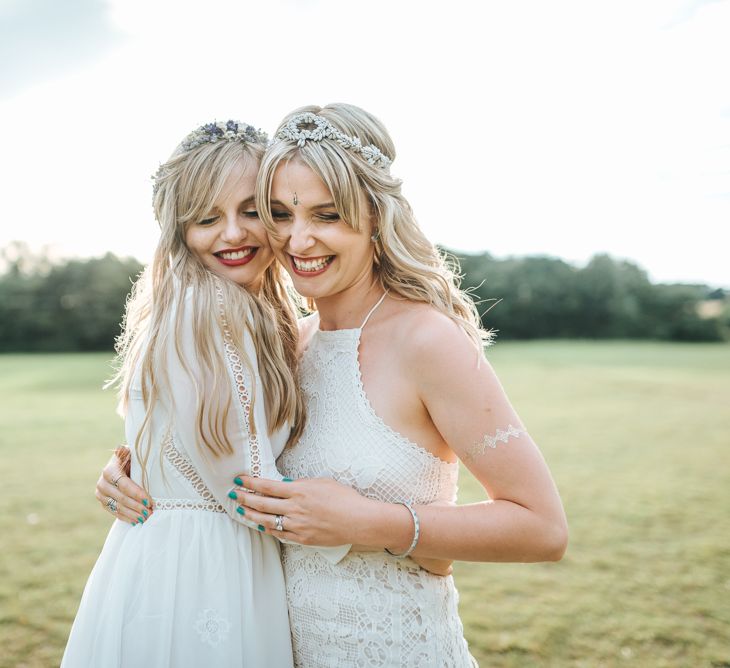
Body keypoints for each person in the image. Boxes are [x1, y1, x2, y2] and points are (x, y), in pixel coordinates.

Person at [100, 104, 568, 667]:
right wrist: (141, 473)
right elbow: (228, 470)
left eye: (327, 215)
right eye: (279, 213)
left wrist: (375, 523)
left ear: (376, 216)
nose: (299, 240)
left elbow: (542, 528)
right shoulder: (284, 345)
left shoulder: (425, 340)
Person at [62, 120, 347, 667]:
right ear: (178, 230)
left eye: (250, 211)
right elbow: (244, 480)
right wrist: (367, 539)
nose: (233, 233)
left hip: (174, 551)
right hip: (205, 566)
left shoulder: (240, 309)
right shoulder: (208, 309)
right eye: (207, 218)